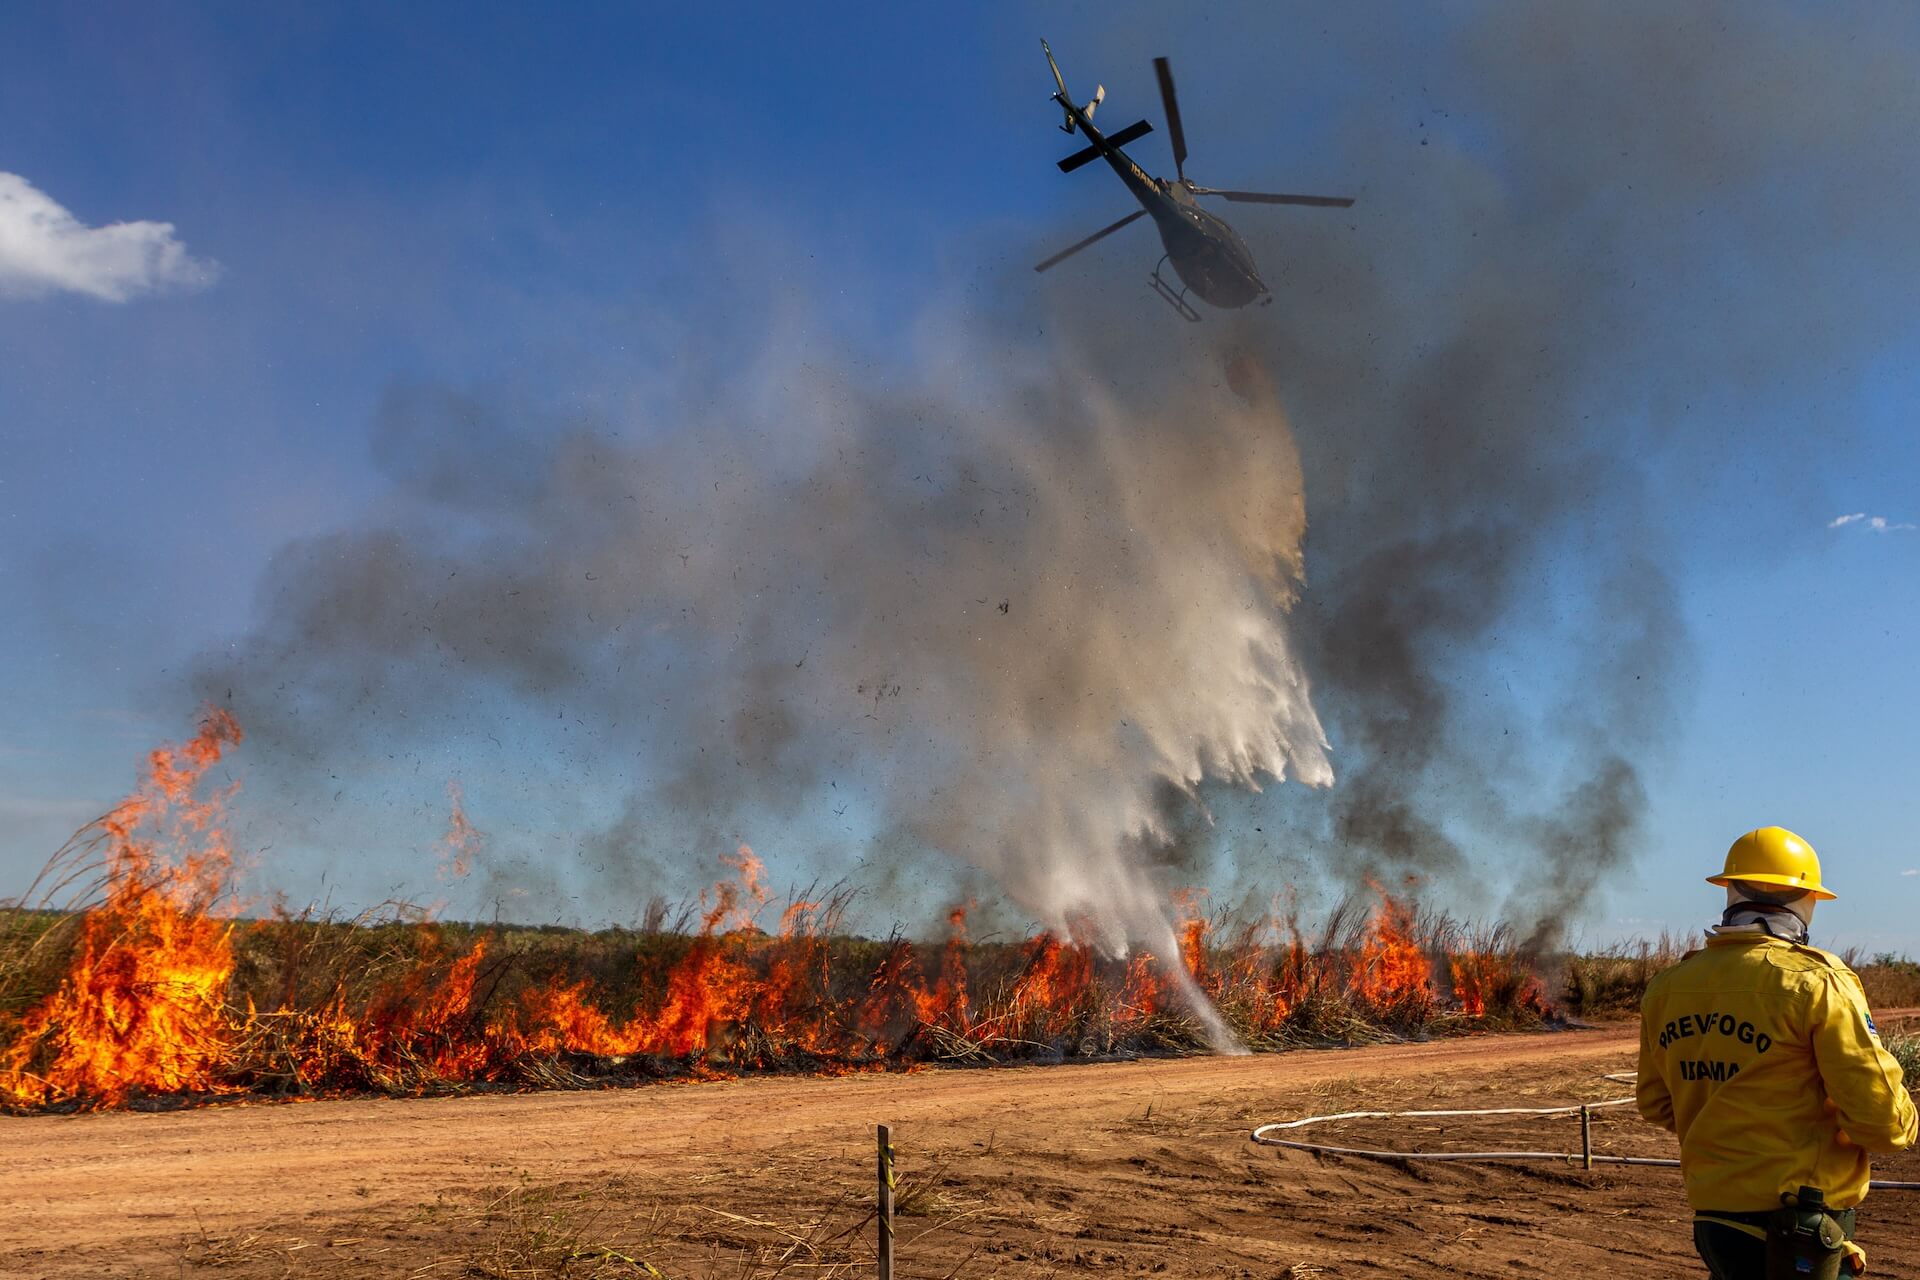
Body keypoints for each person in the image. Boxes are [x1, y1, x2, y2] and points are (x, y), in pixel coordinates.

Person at [1638, 826, 1917, 1278]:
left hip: (1716, 1228)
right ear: (1806, 898)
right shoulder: (1818, 982)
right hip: (1800, 1232)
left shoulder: (1670, 986)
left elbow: (1654, 1103)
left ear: (1729, 891)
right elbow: (1883, 1122)